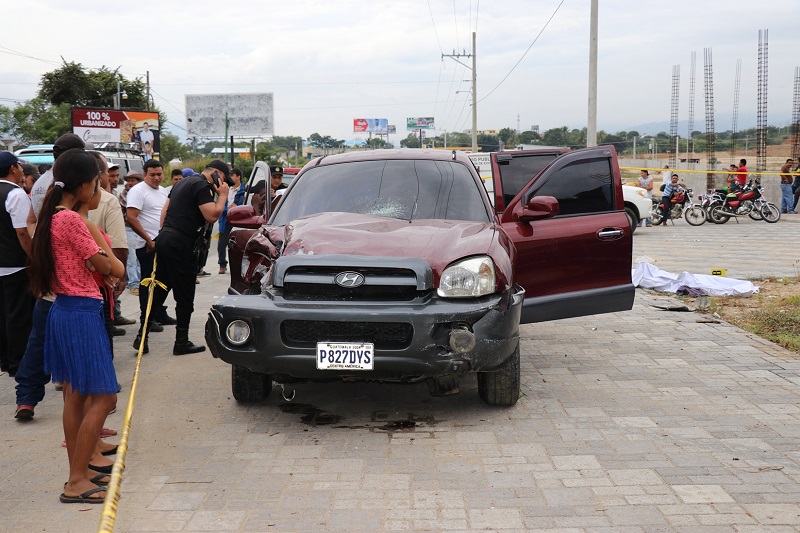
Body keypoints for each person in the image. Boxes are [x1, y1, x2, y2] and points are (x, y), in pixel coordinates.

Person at [28, 148, 123, 504]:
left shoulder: (55, 215)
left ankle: (79, 473)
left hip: (65, 310)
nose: (99, 188)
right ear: (86, 185)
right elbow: (112, 269)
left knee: (76, 394)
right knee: (105, 396)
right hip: (80, 312)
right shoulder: (70, 220)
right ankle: (75, 480)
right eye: (97, 181)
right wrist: (99, 238)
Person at [139, 160, 229, 355]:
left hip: (165, 239)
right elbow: (212, 215)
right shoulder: (202, 186)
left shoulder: (182, 183)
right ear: (215, 173)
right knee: (185, 294)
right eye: (222, 179)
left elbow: (165, 210)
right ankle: (181, 341)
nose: (223, 183)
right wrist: (222, 196)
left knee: (160, 289)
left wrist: (164, 234)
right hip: (181, 244)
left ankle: (141, 336)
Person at [87, 152, 134, 335]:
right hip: (99, 283)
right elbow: (118, 245)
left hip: (67, 292)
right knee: (102, 336)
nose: (111, 178)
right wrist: (120, 275)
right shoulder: (107, 200)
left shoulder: (55, 203)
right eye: (108, 172)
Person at [0, 152, 34, 381]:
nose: (22, 170)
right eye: (20, 166)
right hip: (15, 265)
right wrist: (34, 257)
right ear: (13, 168)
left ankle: (4, 359)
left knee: (3, 314)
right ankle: (17, 362)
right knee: (19, 316)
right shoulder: (15, 194)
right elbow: (22, 232)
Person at [126, 159, 168, 344]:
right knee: (148, 287)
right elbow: (131, 218)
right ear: (145, 175)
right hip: (148, 247)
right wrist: (149, 239)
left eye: (159, 174)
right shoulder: (138, 191)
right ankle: (143, 331)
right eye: (152, 175)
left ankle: (154, 318)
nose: (157, 178)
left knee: (162, 286)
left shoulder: (163, 191)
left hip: (162, 245)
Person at [118, 172, 143, 295]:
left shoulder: (141, 193)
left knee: (139, 257)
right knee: (132, 258)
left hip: (140, 228)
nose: (130, 183)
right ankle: (134, 284)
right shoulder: (124, 195)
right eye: (129, 180)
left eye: (133, 180)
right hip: (128, 228)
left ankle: (139, 282)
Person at [218, 167, 246, 274]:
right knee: (221, 244)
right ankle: (222, 264)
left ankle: (238, 266)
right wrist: (228, 209)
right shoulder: (225, 189)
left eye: (233, 175)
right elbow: (219, 202)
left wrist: (236, 208)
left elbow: (245, 204)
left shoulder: (244, 190)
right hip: (225, 219)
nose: (230, 177)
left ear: (238, 177)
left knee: (238, 245)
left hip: (238, 221)